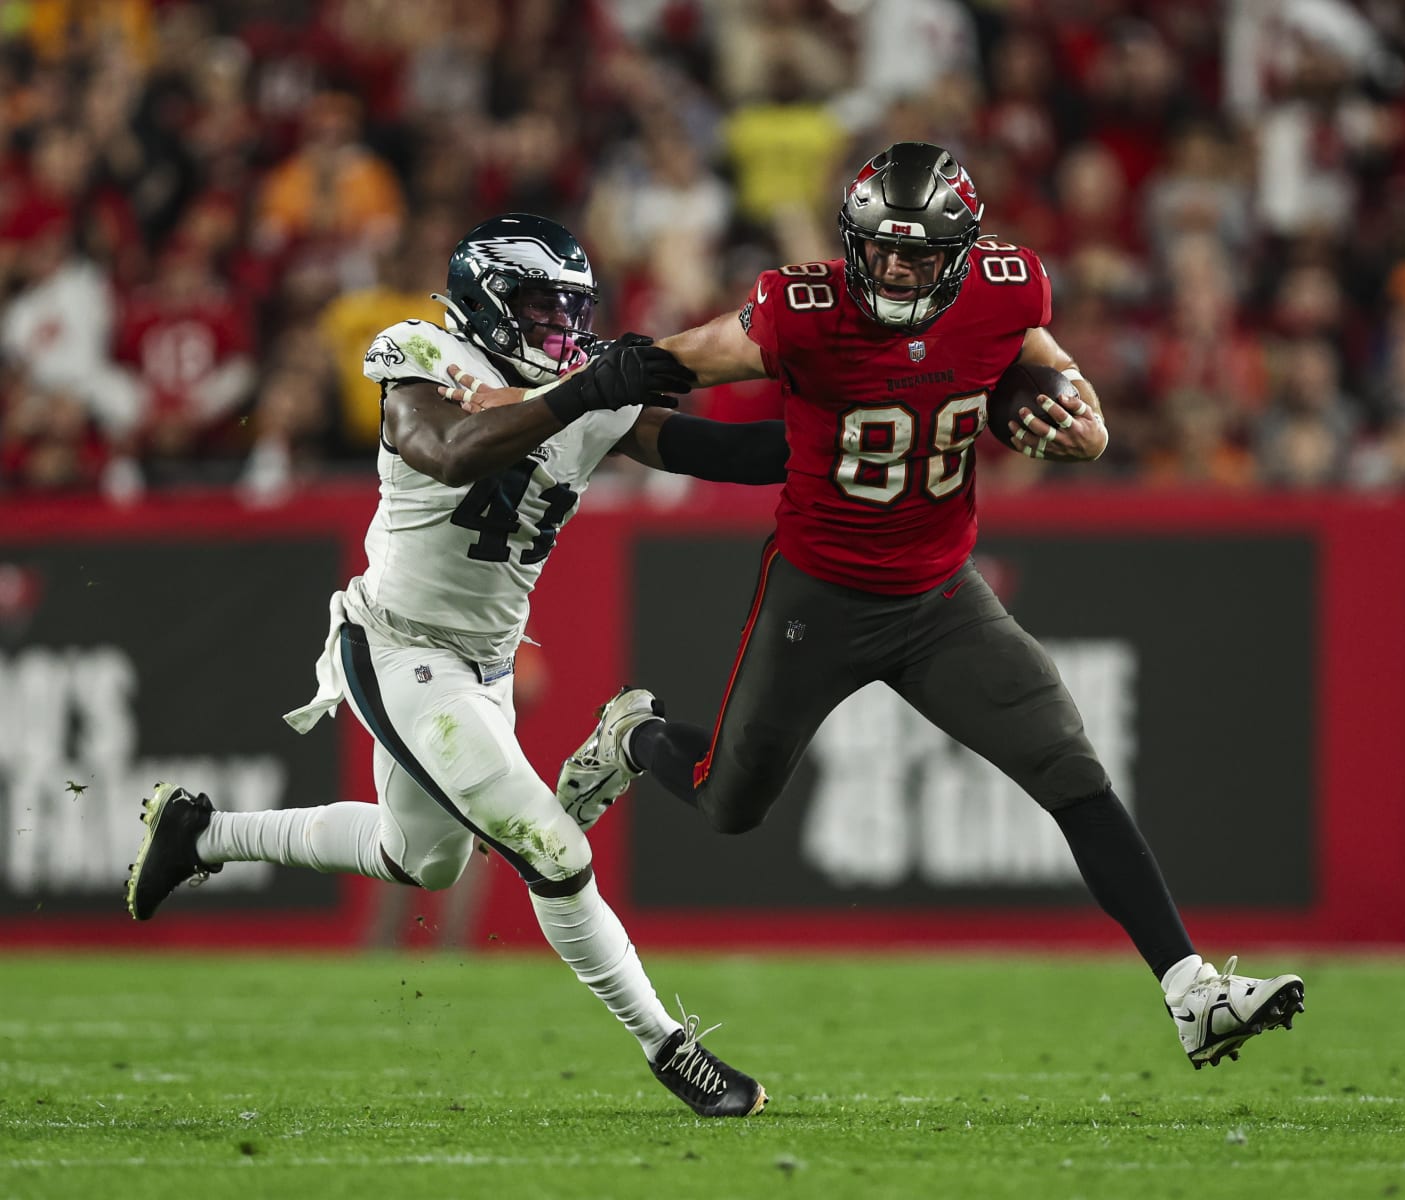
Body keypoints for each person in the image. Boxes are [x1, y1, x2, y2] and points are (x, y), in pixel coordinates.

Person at [453, 145, 1306, 1069]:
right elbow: (677, 360)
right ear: (853, 244)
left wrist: (1080, 414)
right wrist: (549, 398)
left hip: (941, 598)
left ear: (963, 251)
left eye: (921, 253)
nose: (898, 269)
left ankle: (1191, 991)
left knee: (1071, 770)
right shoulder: (802, 309)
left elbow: (1045, 363)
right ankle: (634, 735)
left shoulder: (1006, 289)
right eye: (883, 250)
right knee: (728, 804)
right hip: (818, 595)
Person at [123, 212, 788, 1118]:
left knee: (422, 862)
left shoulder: (586, 391)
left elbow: (735, 456)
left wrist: (876, 429)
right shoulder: (421, 354)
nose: (562, 331)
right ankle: (669, 1047)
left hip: (484, 662)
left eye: (573, 311)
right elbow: (449, 450)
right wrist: (586, 389)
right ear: (484, 303)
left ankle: (200, 836)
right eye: (542, 308)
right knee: (553, 850)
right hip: (395, 644)